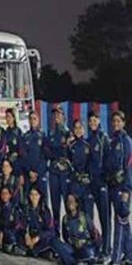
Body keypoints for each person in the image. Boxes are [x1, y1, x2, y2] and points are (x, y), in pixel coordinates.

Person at [107, 110, 132, 264]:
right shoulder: (113, 141)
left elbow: (129, 167)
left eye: (118, 121)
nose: (116, 123)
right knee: (124, 222)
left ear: (123, 123)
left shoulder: (126, 142)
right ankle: (129, 255)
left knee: (119, 222)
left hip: (122, 188)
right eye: (114, 121)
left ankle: (115, 259)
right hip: (113, 186)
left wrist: (126, 190)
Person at [87, 111, 111, 260]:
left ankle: (107, 250)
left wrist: (105, 179)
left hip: (102, 184)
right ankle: (96, 246)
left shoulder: (104, 139)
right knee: (90, 218)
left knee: (104, 218)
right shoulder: (89, 139)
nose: (92, 123)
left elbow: (109, 160)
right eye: (90, 121)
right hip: (91, 184)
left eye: (94, 120)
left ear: (99, 121)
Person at [46, 105, 70, 234]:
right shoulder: (50, 134)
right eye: (55, 114)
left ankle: (69, 234)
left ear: (64, 117)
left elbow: (69, 153)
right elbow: (47, 152)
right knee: (55, 205)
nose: (56, 116)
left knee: (68, 205)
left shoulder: (68, 133)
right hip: (53, 172)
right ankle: (56, 233)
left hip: (65, 173)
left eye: (59, 114)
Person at [61, 193, 101, 264]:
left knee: (89, 253)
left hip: (85, 246)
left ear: (76, 203)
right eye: (68, 201)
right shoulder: (65, 219)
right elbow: (65, 236)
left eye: (72, 201)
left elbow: (94, 233)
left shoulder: (84, 217)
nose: (70, 203)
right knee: (60, 247)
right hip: (73, 247)